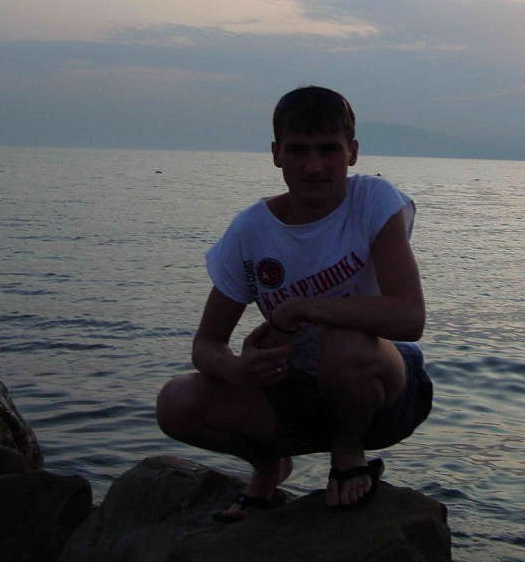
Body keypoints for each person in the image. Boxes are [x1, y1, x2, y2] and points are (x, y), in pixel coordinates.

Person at [155, 85, 432, 519]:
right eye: (298, 150)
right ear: (276, 154)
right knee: (176, 402)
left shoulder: (373, 201)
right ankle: (269, 468)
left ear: (352, 152)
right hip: (295, 392)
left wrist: (301, 308)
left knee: (342, 342)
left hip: (380, 390)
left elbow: (410, 317)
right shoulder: (251, 231)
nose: (314, 166)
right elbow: (206, 345)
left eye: (329, 149)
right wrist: (235, 368)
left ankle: (348, 454)